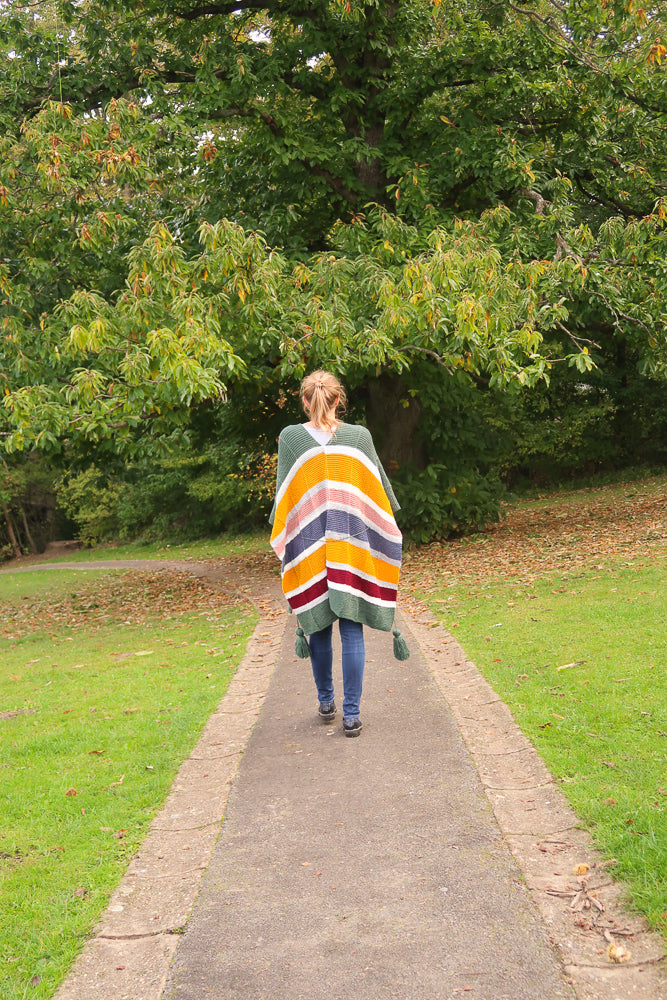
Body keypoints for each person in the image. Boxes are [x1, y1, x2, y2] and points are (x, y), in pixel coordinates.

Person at [269, 369, 404, 737]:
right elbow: (381, 496)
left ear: (304, 399)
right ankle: (351, 715)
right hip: (351, 544)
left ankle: (327, 701)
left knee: (319, 629)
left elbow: (284, 499)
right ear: (338, 399)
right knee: (352, 628)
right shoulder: (358, 437)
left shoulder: (292, 438)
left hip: (311, 545)